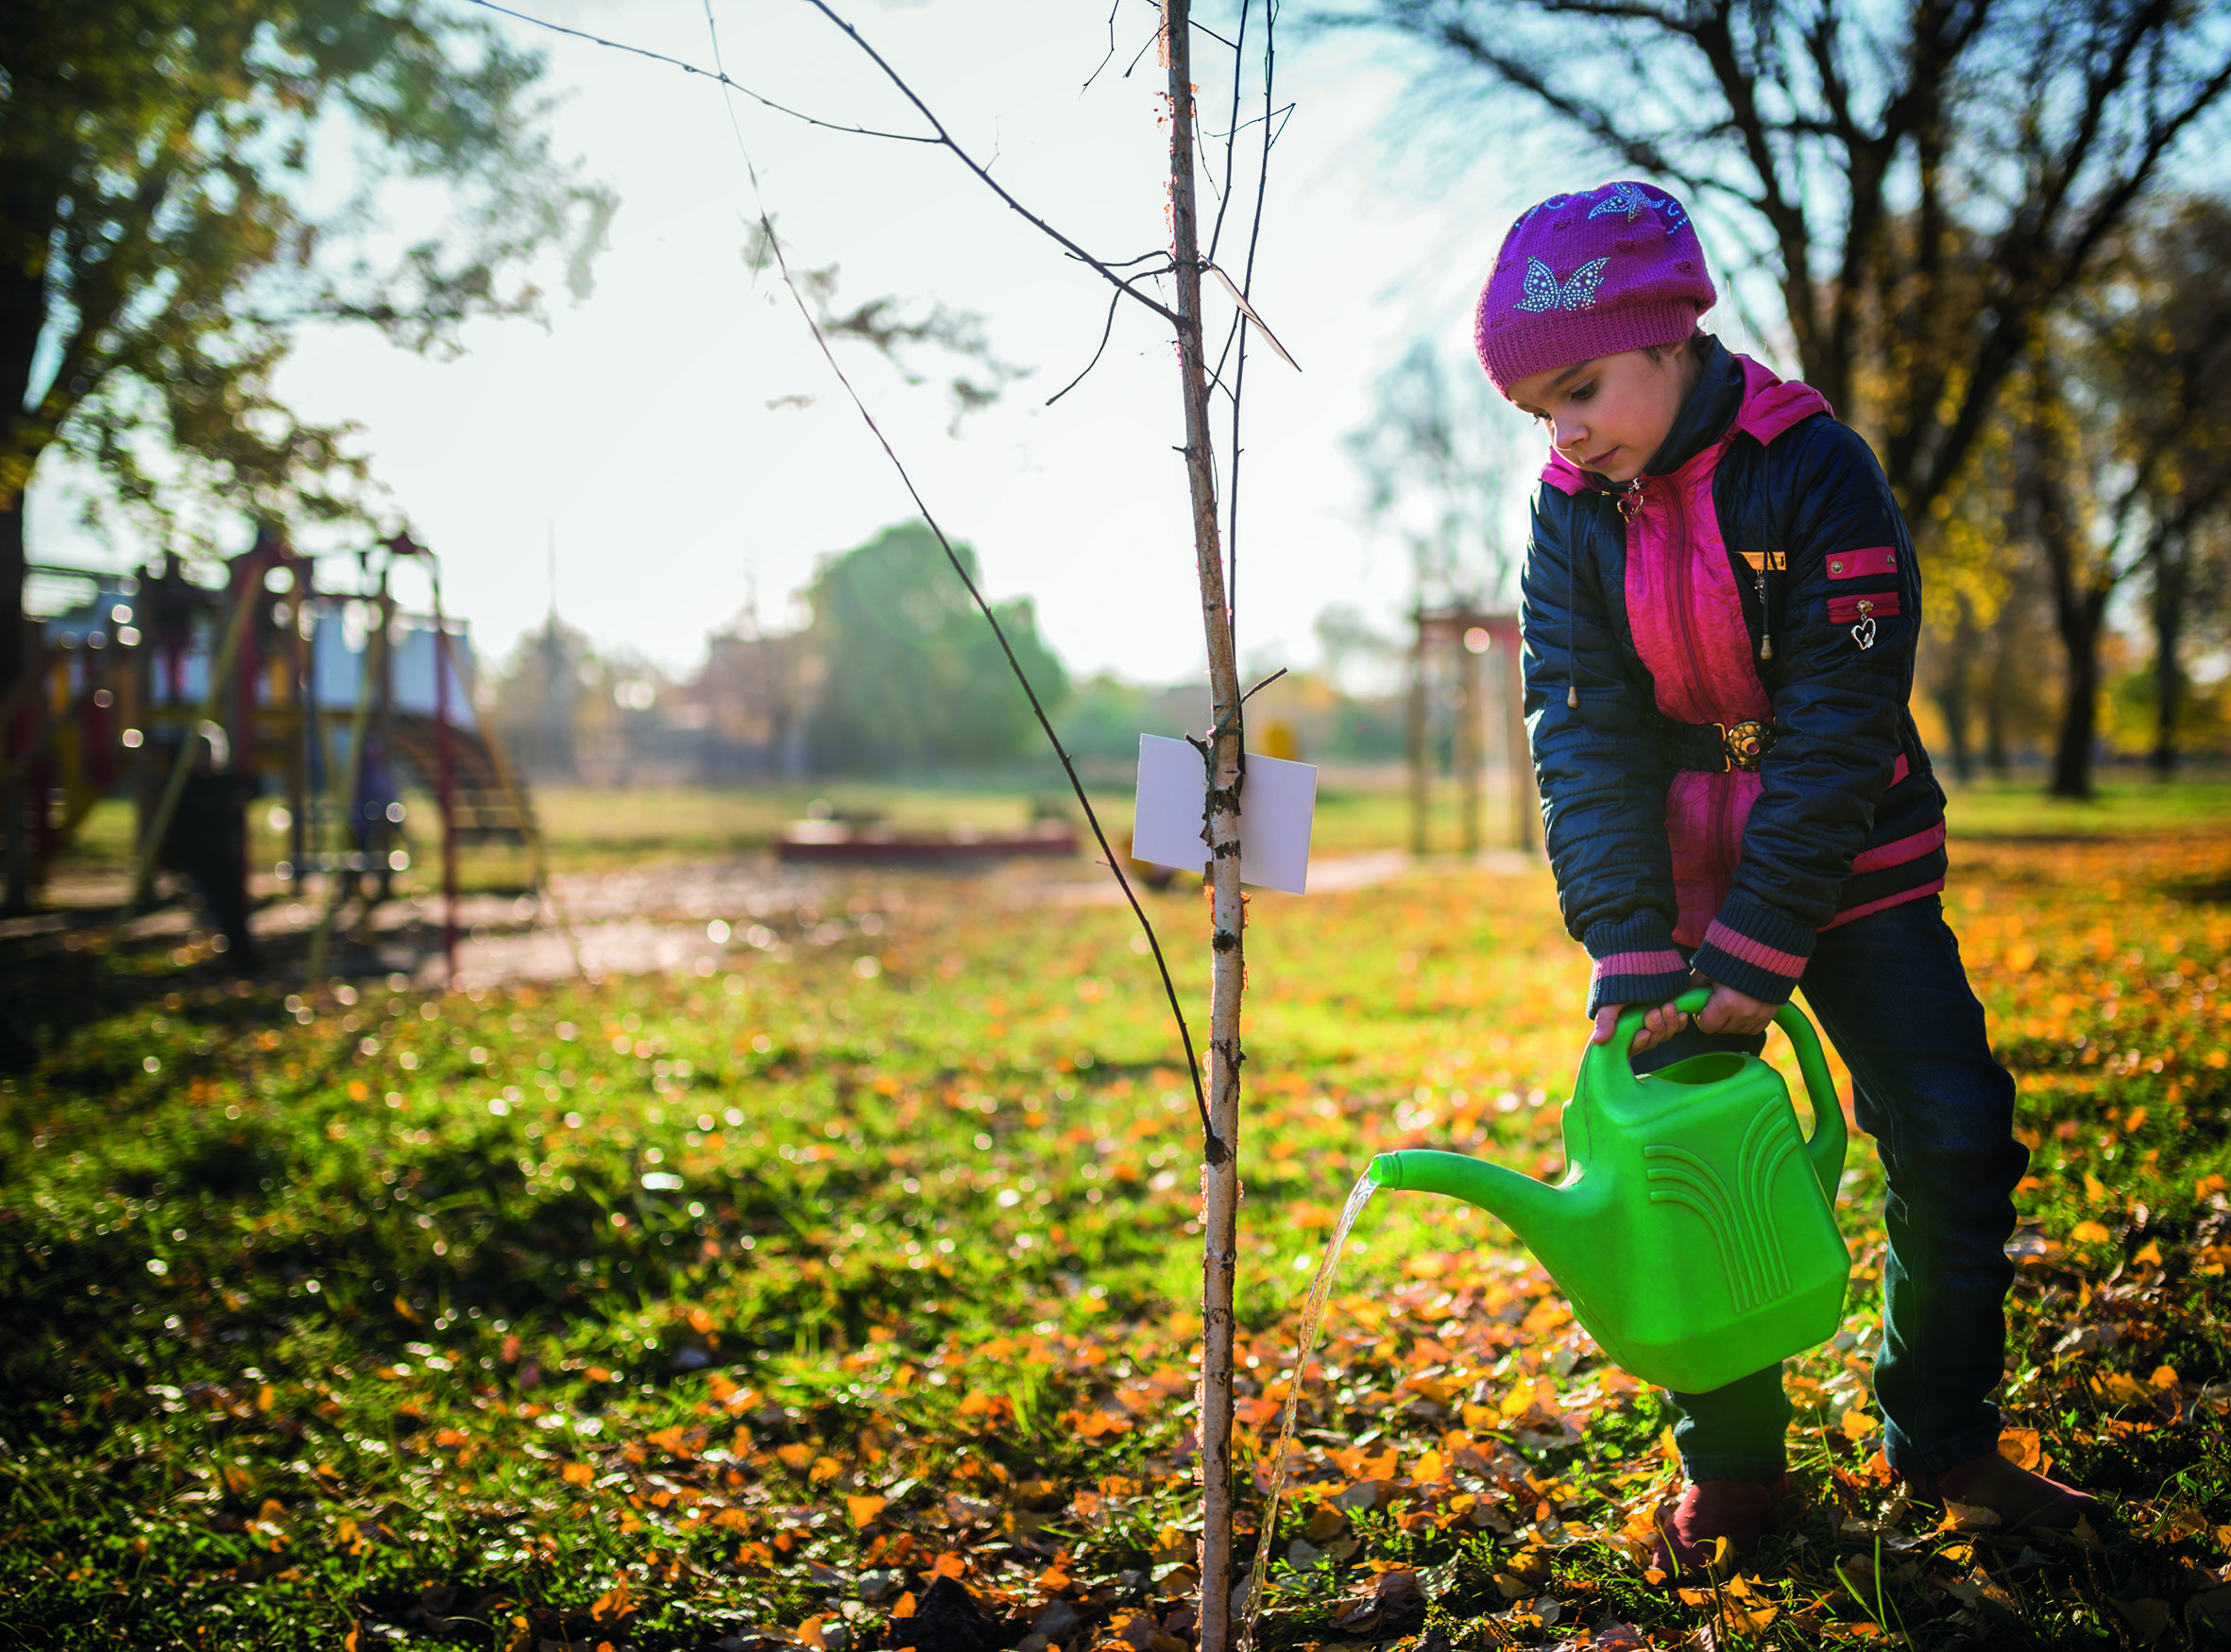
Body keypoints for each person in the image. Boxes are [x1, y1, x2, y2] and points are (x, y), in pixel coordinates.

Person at [1472, 180, 2094, 1569]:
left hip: (1853, 864)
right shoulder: (1571, 509)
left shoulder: (1813, 465)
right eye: (1537, 412)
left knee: (1950, 1137)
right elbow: (1579, 728)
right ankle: (1736, 1470)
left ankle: (1943, 1437)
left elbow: (1838, 723)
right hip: (1676, 885)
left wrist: (1762, 953)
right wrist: (1632, 945)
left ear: (1673, 332)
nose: (1562, 431)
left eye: (1578, 388)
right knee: (1695, 1166)